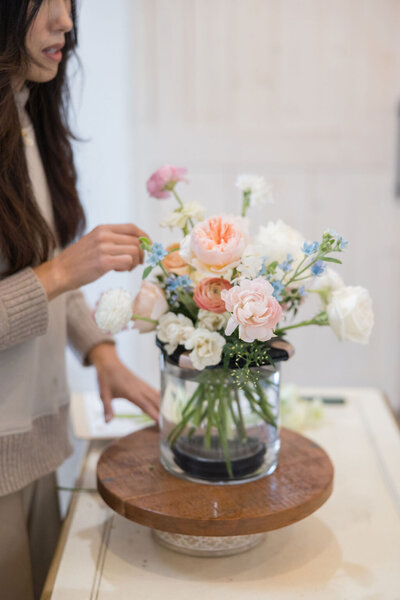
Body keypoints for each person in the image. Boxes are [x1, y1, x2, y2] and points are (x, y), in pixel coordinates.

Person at [0, 1, 159, 598]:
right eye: (44, 5)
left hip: (36, 444)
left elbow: (36, 270)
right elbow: (50, 274)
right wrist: (65, 269)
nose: (65, 22)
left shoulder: (25, 117)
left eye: (69, 4)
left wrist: (101, 353)